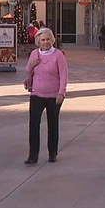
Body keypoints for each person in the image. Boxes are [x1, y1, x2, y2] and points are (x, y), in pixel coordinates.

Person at [25, 28, 68, 164]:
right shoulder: (34, 54)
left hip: (53, 95)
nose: (46, 42)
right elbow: (27, 70)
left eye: (48, 39)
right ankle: (33, 155)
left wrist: (61, 92)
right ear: (39, 41)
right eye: (43, 40)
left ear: (52, 40)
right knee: (34, 125)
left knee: (52, 124)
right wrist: (32, 65)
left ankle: (52, 153)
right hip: (37, 93)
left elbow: (64, 75)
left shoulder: (58, 55)